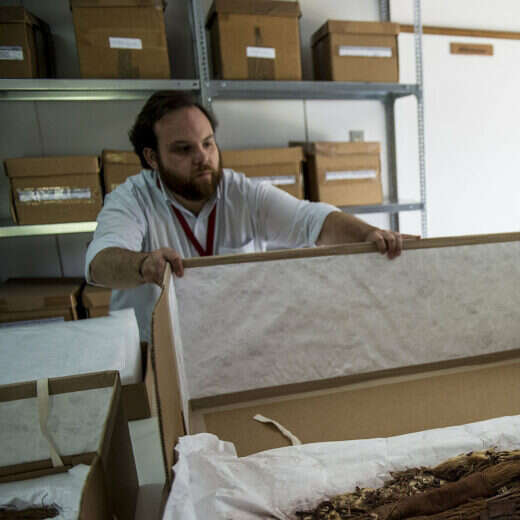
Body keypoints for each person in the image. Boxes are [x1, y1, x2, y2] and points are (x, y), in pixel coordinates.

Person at [85, 91, 414, 341]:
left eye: (208, 144)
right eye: (184, 149)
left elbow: (312, 219)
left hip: (232, 347)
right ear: (152, 158)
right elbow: (99, 263)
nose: (203, 158)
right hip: (156, 355)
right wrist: (143, 265)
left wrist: (367, 234)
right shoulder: (132, 199)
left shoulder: (241, 193)